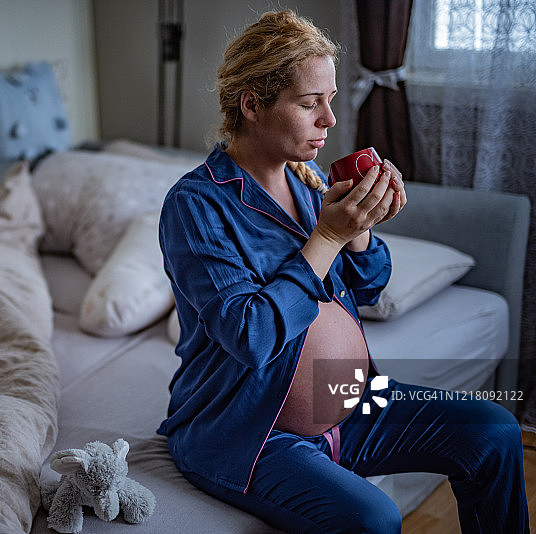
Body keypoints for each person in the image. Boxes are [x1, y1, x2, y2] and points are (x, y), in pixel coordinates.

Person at [157, 9, 527, 534]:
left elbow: (372, 287)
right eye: (310, 104)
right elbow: (251, 334)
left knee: (494, 429)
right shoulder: (196, 206)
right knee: (374, 518)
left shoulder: (308, 186)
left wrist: (359, 234)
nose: (329, 120)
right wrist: (325, 238)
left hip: (352, 400)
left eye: (329, 101)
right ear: (252, 105)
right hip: (249, 429)